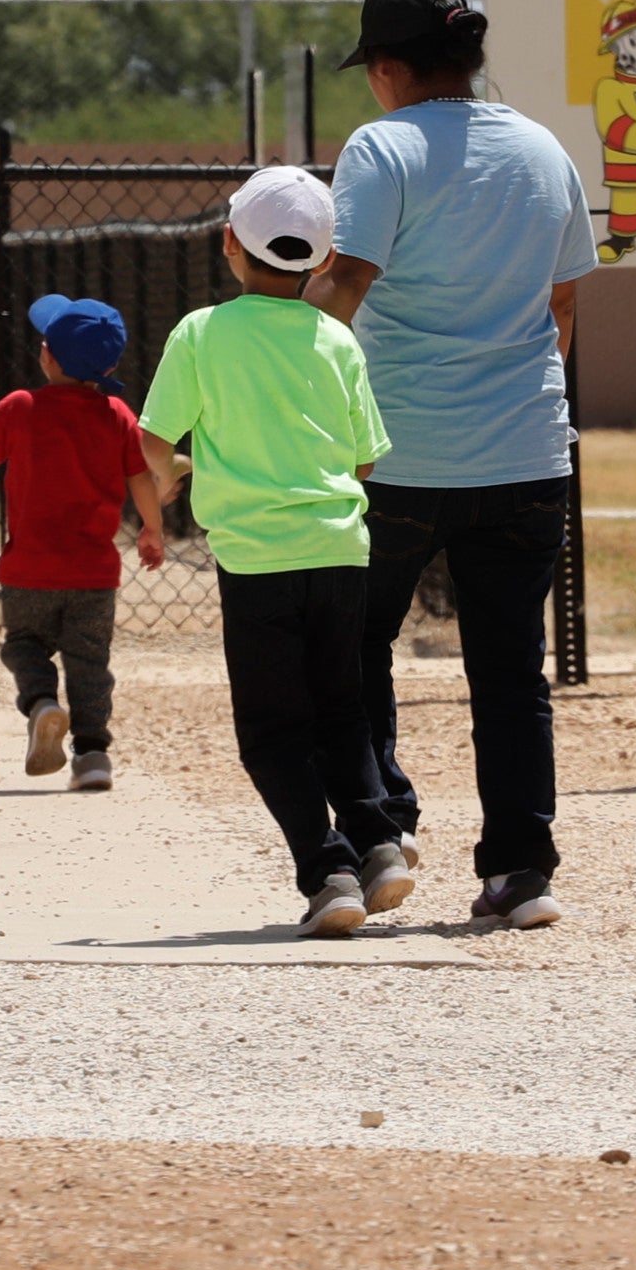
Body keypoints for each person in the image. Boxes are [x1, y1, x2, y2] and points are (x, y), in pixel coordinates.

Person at [306, 0, 598, 931]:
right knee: (511, 669)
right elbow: (561, 305)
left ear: (387, 67)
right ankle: (522, 870)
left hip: (394, 452)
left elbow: (346, 280)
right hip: (525, 452)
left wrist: (300, 394)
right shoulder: (543, 147)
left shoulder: (381, 149)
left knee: (355, 644)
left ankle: (384, 826)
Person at [140, 167, 408, 938]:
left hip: (256, 559)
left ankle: (328, 871)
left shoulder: (201, 332)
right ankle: (380, 841)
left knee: (269, 729)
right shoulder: (336, 338)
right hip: (339, 550)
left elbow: (155, 437)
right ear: (323, 261)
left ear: (230, 244)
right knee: (341, 710)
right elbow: (364, 458)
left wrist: (175, 473)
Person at [0, 296, 164, 792]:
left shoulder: (20, 407)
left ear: (46, 356)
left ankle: (43, 702)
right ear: (111, 363)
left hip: (29, 570)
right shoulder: (116, 414)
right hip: (93, 574)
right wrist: (151, 530)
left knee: (22, 645)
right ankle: (92, 756)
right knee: (90, 663)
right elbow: (141, 478)